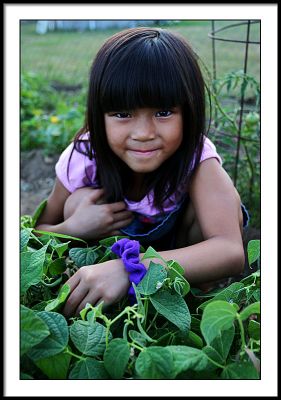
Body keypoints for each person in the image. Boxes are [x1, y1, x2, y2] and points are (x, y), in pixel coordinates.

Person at [35, 27, 249, 317]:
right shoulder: (85, 155)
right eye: (122, 114)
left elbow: (231, 250)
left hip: (177, 274)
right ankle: (99, 292)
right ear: (100, 115)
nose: (144, 133)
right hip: (101, 260)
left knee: (223, 209)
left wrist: (130, 269)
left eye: (163, 113)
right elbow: (38, 233)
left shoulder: (197, 159)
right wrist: (71, 229)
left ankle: (195, 304)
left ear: (189, 111)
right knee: (77, 202)